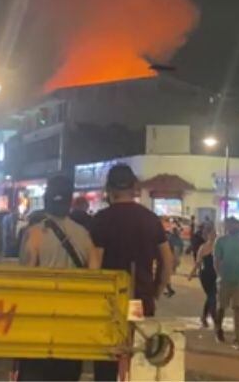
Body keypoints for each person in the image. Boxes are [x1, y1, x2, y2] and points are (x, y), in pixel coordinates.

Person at [88, 164, 173, 382]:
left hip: (110, 304)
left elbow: (94, 264)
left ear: (109, 188)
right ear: (134, 187)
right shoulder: (150, 219)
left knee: (108, 358)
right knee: (138, 359)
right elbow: (167, 260)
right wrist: (156, 290)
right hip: (140, 301)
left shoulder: (102, 220)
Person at [17, 175, 98, 381]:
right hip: (72, 325)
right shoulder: (85, 236)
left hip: (39, 323)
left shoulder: (34, 234)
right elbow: (94, 279)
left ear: (46, 200)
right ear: (70, 202)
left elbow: (24, 279)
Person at [214, 217, 239, 349]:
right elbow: (216, 260)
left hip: (238, 279)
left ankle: (237, 337)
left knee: (238, 308)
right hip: (224, 279)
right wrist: (220, 274)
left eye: (235, 225)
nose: (233, 227)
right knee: (221, 307)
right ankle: (218, 329)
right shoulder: (221, 241)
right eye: (230, 225)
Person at [190, 224, 219, 329]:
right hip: (205, 275)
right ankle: (215, 318)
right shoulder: (203, 247)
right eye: (211, 234)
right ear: (207, 235)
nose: (214, 235)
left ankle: (204, 317)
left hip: (216, 275)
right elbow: (198, 262)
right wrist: (192, 273)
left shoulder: (218, 246)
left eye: (215, 233)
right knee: (212, 297)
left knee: (211, 296)